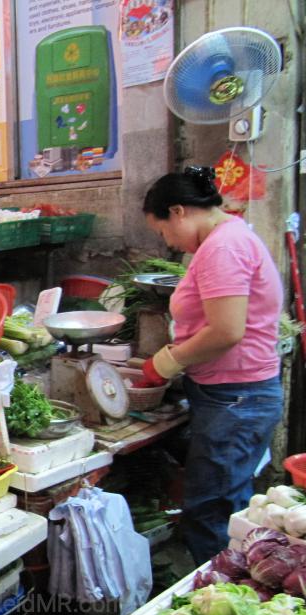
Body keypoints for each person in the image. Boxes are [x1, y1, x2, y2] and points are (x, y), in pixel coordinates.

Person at [142, 165, 283, 564]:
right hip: (235, 394)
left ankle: (217, 589)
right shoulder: (229, 237)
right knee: (227, 499)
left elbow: (226, 331)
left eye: (163, 231)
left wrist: (166, 362)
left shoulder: (223, 247)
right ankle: (236, 575)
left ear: (179, 211)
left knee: (211, 510)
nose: (168, 241)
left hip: (236, 398)